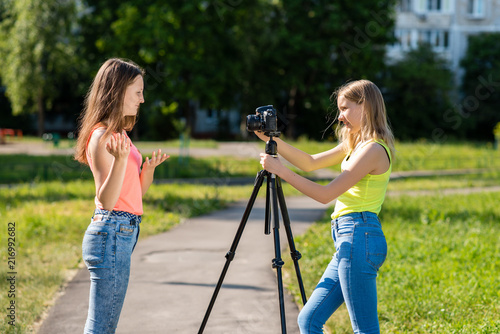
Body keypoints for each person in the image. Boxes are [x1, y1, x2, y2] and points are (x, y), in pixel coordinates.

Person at [256, 79, 394, 334]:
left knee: (365, 330)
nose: (340, 117)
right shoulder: (356, 144)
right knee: (309, 320)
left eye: (345, 108)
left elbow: (325, 193)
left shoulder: (373, 150)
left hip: (359, 237)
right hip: (349, 239)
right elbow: (309, 163)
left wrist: (280, 171)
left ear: (366, 106)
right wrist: (272, 139)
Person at [74, 58, 169, 333]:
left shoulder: (120, 135)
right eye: (137, 92)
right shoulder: (101, 136)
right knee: (102, 326)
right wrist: (119, 161)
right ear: (117, 91)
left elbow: (132, 197)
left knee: (106, 324)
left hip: (123, 229)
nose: (142, 99)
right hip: (111, 230)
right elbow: (107, 200)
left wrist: (147, 172)